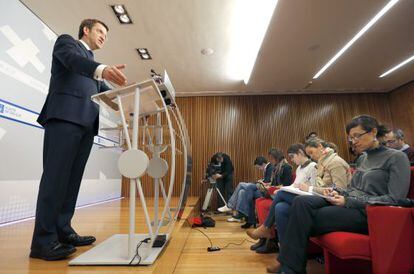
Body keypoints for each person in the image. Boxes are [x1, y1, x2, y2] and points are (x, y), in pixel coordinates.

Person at [30, 19, 128, 261]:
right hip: (64, 118)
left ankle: (63, 231)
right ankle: (42, 242)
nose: (104, 36)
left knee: (71, 182)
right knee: (55, 180)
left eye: (106, 34)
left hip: (86, 126)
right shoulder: (68, 45)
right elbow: (77, 63)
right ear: (86, 30)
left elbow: (107, 92)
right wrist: (102, 69)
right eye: (100, 31)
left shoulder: (92, 68)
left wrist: (127, 98)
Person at [267, 115, 410, 273]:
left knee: (299, 217)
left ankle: (289, 266)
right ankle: (290, 265)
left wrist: (348, 201)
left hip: (368, 212)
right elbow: (352, 188)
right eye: (351, 138)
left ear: (373, 132)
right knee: (300, 203)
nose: (354, 141)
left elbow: (395, 199)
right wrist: (336, 191)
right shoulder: (363, 159)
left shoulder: (397, 157)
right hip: (349, 204)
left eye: (357, 136)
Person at [218, 156, 273, 223]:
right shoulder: (267, 168)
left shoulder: (270, 168)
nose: (259, 169)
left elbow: (267, 182)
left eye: (259, 167)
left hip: (263, 189)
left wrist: (260, 181)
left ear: (263, 164)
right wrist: (261, 181)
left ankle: (230, 206)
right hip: (261, 187)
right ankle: (239, 215)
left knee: (241, 184)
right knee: (242, 191)